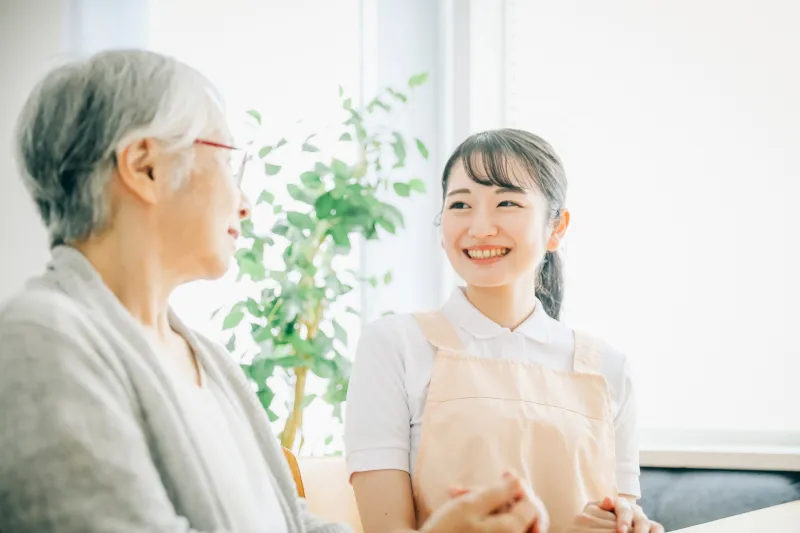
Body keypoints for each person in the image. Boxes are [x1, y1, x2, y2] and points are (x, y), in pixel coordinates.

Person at [0, 49, 544, 533]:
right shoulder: (42, 343)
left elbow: (294, 524)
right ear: (145, 167)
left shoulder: (205, 357)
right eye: (229, 161)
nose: (245, 203)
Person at [344, 129, 665, 533]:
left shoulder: (609, 368)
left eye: (507, 202)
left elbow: (617, 516)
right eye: (460, 204)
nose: (479, 228)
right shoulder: (394, 345)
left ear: (557, 228)